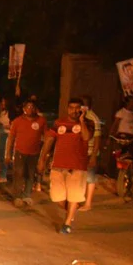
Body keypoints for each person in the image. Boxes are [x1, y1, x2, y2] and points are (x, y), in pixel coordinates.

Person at [38, 98, 90, 234]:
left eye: (77, 107)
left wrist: (82, 121)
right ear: (67, 109)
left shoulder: (87, 123)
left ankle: (67, 223)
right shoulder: (58, 123)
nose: (74, 110)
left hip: (77, 167)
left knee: (73, 197)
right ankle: (71, 211)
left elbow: (86, 137)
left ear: (82, 109)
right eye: (71, 107)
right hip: (58, 166)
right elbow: (49, 140)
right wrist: (42, 159)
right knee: (57, 198)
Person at [5, 99, 47, 207]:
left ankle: (27, 195)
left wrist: (45, 154)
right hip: (20, 152)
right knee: (18, 174)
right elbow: (10, 138)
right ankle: (17, 196)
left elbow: (47, 137)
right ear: (24, 109)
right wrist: (8, 153)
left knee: (31, 174)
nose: (30, 109)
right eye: (28, 107)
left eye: (32, 107)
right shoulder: (17, 121)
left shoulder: (41, 121)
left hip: (34, 152)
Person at [79, 95, 102, 211]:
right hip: (80, 152)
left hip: (89, 152)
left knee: (90, 178)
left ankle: (88, 203)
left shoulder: (93, 118)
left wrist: (93, 156)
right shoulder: (80, 117)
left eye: (84, 104)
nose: (81, 107)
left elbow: (97, 139)